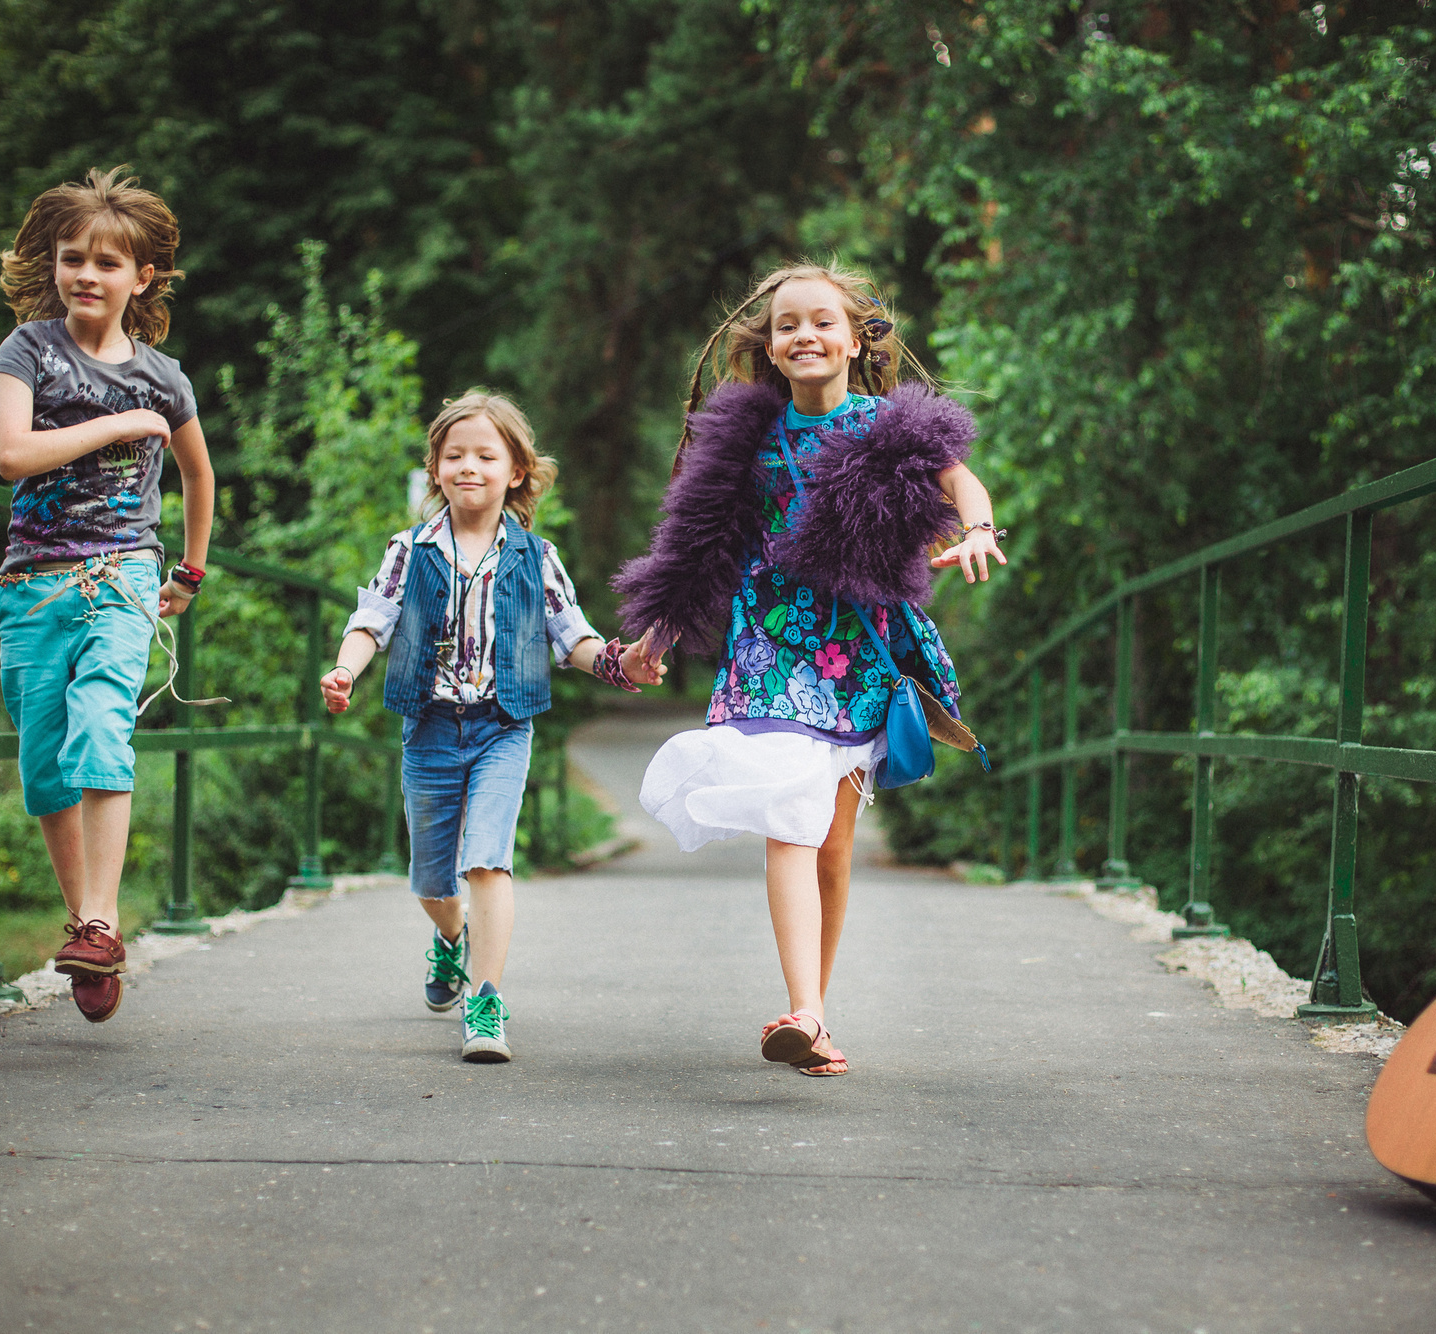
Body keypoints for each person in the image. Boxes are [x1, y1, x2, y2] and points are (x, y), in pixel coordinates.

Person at [613, 262, 1004, 1077]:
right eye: (787, 325)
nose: (805, 337)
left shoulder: (889, 428)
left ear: (858, 339)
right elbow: (691, 549)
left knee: (831, 845)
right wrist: (655, 635)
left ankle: (813, 1017)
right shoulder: (744, 444)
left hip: (858, 653)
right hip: (770, 652)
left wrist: (979, 528)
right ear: (770, 346)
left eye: (822, 322)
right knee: (787, 820)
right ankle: (804, 1010)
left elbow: (958, 477)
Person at [320, 391, 664, 1063]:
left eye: (485, 455)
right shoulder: (409, 548)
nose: (468, 467)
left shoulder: (536, 557)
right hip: (428, 726)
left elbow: (574, 637)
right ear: (435, 469)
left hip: (504, 726)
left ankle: (485, 1000)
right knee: (430, 880)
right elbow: (372, 619)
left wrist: (623, 665)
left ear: (516, 472)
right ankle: (450, 940)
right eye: (454, 456)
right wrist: (345, 669)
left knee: (488, 859)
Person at [0, 166, 215, 1024]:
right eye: (72, 257)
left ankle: (100, 920)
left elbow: (198, 475)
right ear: (52, 264)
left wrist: (187, 570)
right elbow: (10, 456)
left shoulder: (164, 376)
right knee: (44, 766)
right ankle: (86, 924)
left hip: (121, 574)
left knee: (100, 724)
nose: (87, 274)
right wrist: (118, 426)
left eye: (107, 263)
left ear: (141, 278)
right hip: (31, 586)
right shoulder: (28, 352)